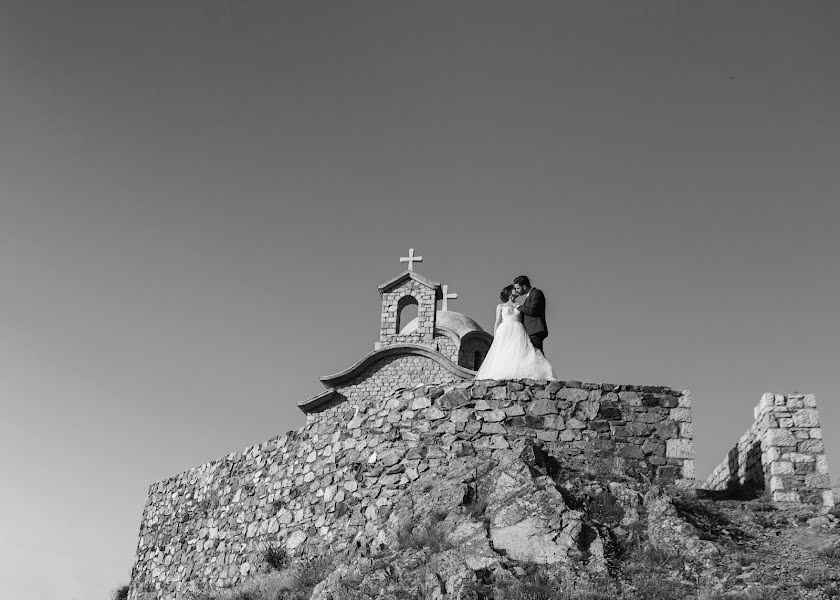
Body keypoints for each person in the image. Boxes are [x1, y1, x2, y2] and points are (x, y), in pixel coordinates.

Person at [474, 284, 557, 380]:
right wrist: (496, 336)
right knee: (504, 350)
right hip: (505, 329)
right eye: (514, 289)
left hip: (518, 329)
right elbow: (497, 321)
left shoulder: (520, 306)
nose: (517, 290)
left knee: (518, 350)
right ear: (509, 292)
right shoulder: (500, 306)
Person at [512, 275, 548, 355]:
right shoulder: (528, 297)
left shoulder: (536, 293)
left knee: (537, 355)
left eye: (518, 288)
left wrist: (518, 306)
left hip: (535, 330)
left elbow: (532, 310)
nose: (517, 290)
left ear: (524, 286)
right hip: (529, 331)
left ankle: (543, 368)